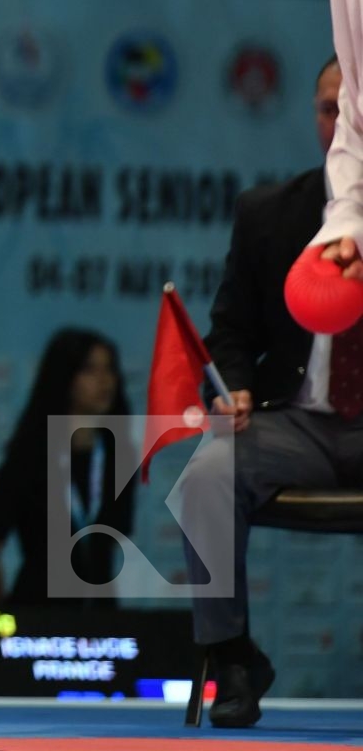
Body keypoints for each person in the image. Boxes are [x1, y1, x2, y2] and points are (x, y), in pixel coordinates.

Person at [178, 54, 343, 726]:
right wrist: (233, 389)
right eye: (327, 109)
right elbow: (230, 336)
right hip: (298, 426)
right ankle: (234, 658)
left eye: (352, 109)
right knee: (208, 471)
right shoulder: (270, 214)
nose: (340, 122)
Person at [0, 328, 133, 608]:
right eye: (90, 370)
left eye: (109, 369)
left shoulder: (119, 457)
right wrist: (7, 620)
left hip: (103, 624)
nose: (104, 381)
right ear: (64, 377)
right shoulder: (28, 458)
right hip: (38, 617)